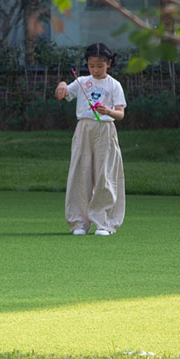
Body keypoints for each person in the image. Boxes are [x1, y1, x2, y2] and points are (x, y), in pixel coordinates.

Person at [54, 42, 128, 236]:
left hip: (105, 129)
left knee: (106, 175)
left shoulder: (114, 85)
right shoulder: (82, 82)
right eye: (91, 65)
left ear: (109, 64)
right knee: (80, 173)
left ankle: (104, 223)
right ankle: (79, 223)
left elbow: (120, 114)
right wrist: (61, 85)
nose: (95, 70)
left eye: (100, 65)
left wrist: (108, 111)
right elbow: (63, 93)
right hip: (84, 129)